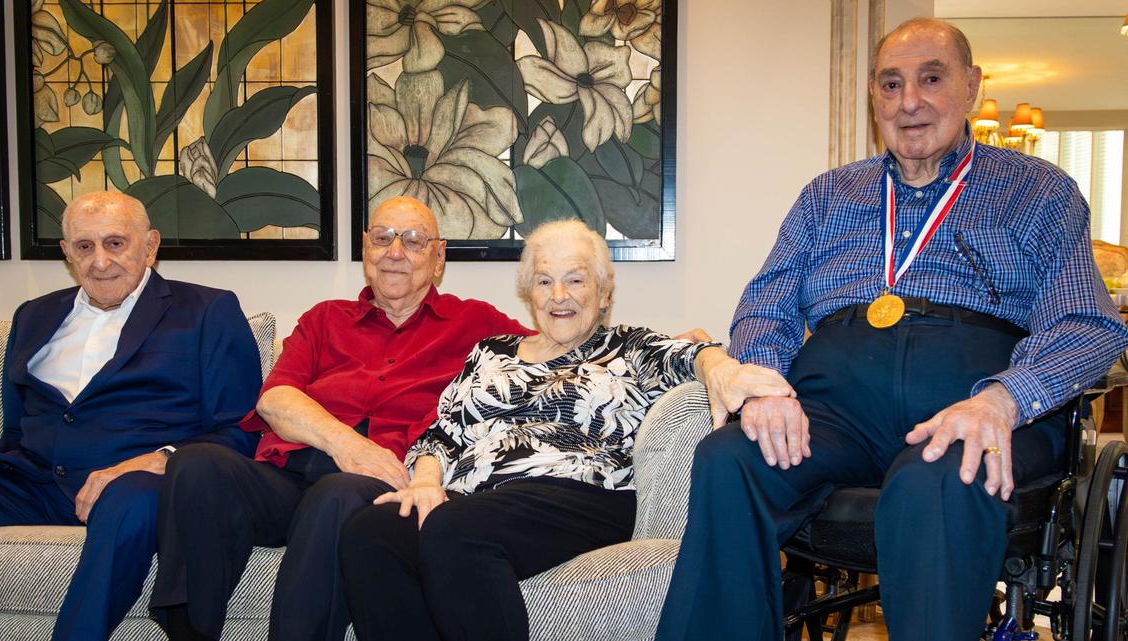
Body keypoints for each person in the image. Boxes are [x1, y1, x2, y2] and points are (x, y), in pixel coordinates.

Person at [656, 17, 1128, 641]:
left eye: (932, 78)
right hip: (839, 407)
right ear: (874, 98)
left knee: (939, 477)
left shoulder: (1037, 191)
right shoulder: (827, 196)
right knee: (728, 459)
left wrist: (1003, 400)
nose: (910, 101)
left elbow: (1088, 324)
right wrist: (764, 381)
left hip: (972, 398)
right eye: (891, 83)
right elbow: (767, 302)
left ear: (971, 87)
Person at [337, 219, 794, 641]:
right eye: (544, 281)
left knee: (455, 531)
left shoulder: (628, 346)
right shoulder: (490, 352)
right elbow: (443, 431)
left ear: (603, 293)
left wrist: (720, 369)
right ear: (528, 293)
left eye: (575, 280)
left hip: (582, 494)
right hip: (476, 500)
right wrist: (424, 481)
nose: (559, 295)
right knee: (370, 532)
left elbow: (691, 355)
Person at [148, 196, 533, 641]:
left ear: (439, 256)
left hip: (378, 483)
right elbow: (275, 399)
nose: (395, 252)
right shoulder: (325, 319)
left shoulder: (476, 323)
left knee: (337, 492)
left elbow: (553, 353)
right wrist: (345, 443)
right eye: (383, 238)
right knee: (196, 463)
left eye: (413, 241)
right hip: (290, 476)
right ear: (366, 248)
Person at [0, 192, 261, 641]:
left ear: (150, 246)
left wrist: (161, 458)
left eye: (115, 243)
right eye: (84, 247)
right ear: (66, 252)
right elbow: (15, 430)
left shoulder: (207, 311)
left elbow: (242, 427)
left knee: (129, 498)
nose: (99, 262)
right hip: (36, 484)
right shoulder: (33, 316)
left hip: (138, 483)